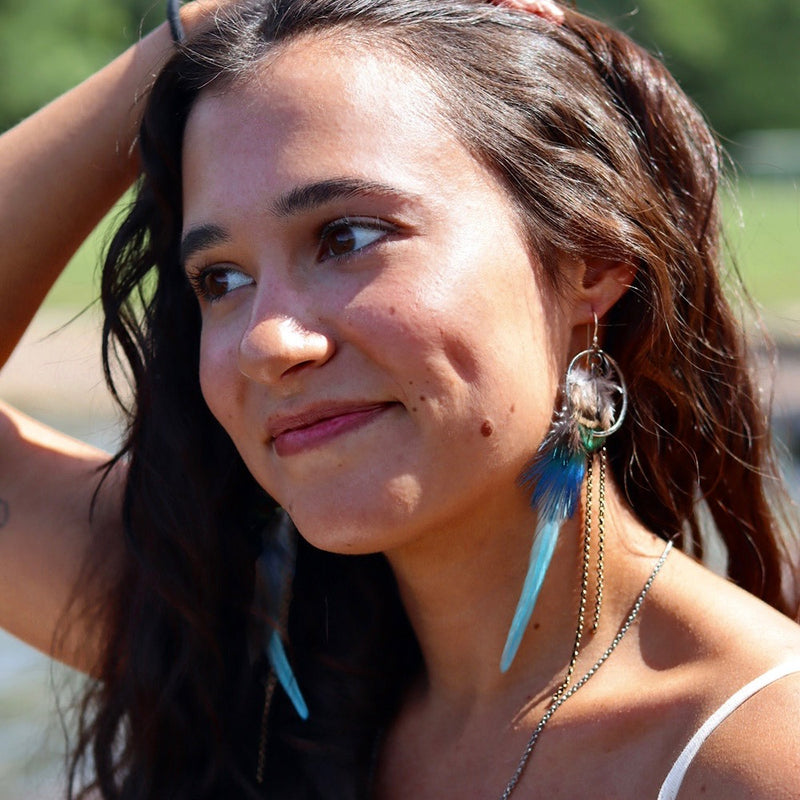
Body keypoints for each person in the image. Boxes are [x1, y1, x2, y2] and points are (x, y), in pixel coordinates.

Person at [1, 1, 799, 798]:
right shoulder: (229, 654)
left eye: (346, 237)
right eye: (222, 279)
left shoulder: (755, 751)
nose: (267, 342)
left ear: (587, 260)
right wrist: (196, 30)